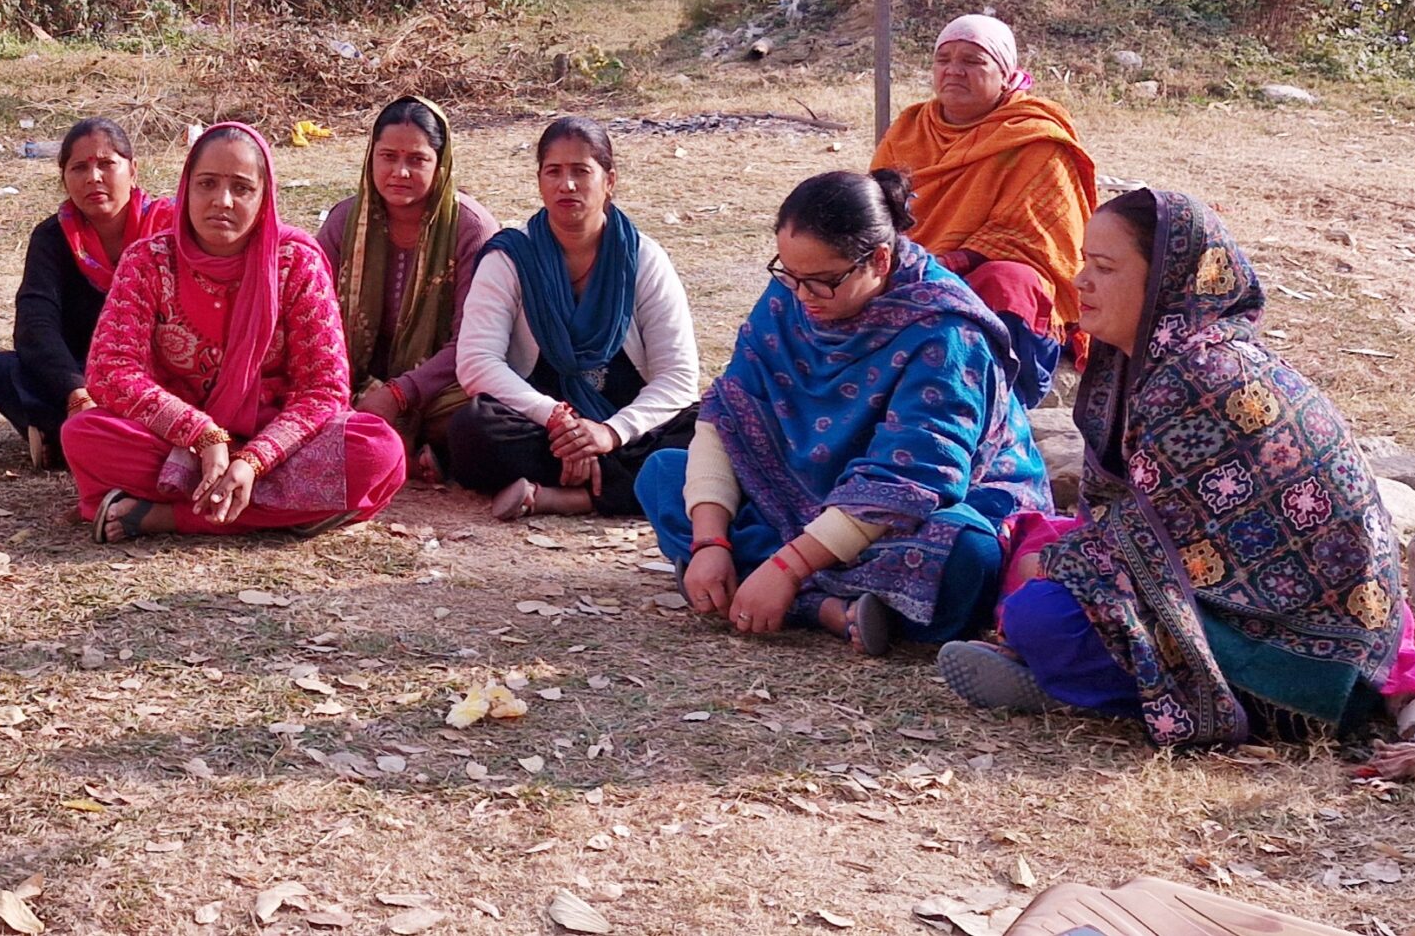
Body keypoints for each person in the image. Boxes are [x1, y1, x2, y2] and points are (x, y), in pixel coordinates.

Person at [941, 190, 1415, 745]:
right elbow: (1140, 522)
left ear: (1166, 283)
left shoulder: (1197, 378)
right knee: (1037, 552)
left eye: (1106, 267)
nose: (1081, 281)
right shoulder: (1149, 360)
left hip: (1299, 659)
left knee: (1041, 613)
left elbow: (1154, 545)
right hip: (1228, 592)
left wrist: (1066, 567)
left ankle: (1087, 686)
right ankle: (1073, 675)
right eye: (1084, 262)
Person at [639, 171, 1051, 657]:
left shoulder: (946, 330)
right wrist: (711, 542)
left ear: (880, 259)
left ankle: (789, 593)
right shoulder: (794, 295)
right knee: (663, 473)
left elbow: (909, 480)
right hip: (800, 493)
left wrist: (786, 570)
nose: (802, 296)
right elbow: (730, 411)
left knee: (968, 557)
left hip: (917, 513)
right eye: (788, 275)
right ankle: (835, 607)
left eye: (821, 281)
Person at [65, 123, 406, 540]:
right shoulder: (147, 261)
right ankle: (295, 510)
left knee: (377, 450)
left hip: (279, 442)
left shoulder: (295, 263)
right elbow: (111, 370)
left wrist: (253, 460)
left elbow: (323, 389)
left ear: (264, 198)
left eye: (241, 188)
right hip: (179, 444)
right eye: (207, 184)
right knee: (84, 435)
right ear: (186, 188)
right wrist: (203, 435)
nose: (221, 202)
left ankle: (166, 516)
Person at [451, 117, 700, 521]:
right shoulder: (511, 258)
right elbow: (477, 363)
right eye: (554, 172)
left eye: (581, 171)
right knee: (472, 430)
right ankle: (620, 487)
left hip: (626, 428)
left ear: (609, 180)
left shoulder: (644, 259)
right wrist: (558, 421)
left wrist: (607, 433)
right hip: (543, 428)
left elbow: (678, 378)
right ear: (539, 181)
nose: (566, 185)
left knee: (712, 429)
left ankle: (567, 498)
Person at [869, 15, 1097, 404]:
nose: (953, 71)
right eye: (943, 60)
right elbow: (878, 210)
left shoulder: (1035, 136)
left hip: (982, 275)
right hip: (916, 263)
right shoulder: (909, 127)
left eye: (973, 61)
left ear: (1006, 75)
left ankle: (1003, 400)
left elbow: (1031, 239)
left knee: (1009, 282)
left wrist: (944, 266)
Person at [316, 97, 499, 483]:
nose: (400, 171)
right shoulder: (343, 223)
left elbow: (472, 343)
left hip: (440, 390)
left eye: (416, 159)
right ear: (371, 158)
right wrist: (352, 393)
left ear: (441, 163)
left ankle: (394, 443)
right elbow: (313, 324)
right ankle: (398, 450)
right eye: (388, 156)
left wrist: (397, 395)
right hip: (352, 384)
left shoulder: (471, 229)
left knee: (481, 413)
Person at [0, 117, 170, 470]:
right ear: (64, 178)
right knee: (1, 371)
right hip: (83, 379)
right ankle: (98, 435)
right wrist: (75, 392)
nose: (93, 178)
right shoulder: (52, 238)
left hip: (156, 376)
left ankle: (74, 441)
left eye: (106, 164)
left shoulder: (169, 230)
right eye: (79, 167)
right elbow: (36, 322)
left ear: (133, 170)